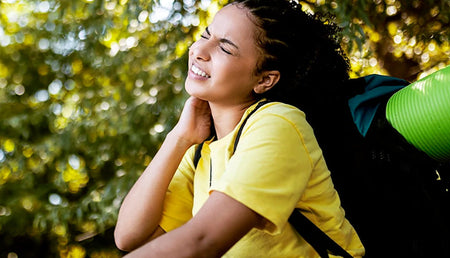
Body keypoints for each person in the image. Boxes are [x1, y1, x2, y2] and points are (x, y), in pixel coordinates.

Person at [114, 0, 365, 256]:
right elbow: (130, 237)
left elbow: (202, 241)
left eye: (225, 48)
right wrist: (177, 138)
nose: (200, 50)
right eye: (206, 34)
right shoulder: (202, 153)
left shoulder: (279, 123)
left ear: (265, 79)